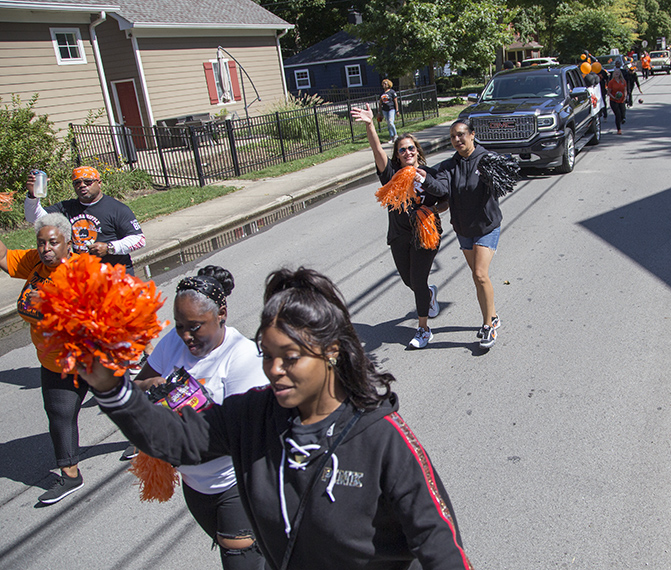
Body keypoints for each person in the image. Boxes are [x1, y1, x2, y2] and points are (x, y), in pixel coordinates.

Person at [78, 267, 473, 570]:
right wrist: (112, 389)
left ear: (331, 351)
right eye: (267, 355)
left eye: (291, 356)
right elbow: (176, 440)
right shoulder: (251, 415)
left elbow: (440, 546)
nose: (274, 369)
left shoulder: (384, 440)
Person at [131, 265, 267, 569]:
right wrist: (153, 389)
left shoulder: (243, 358)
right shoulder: (173, 342)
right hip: (196, 487)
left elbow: (239, 438)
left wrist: (173, 413)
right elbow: (138, 386)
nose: (186, 336)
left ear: (221, 313)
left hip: (237, 487)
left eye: (195, 326)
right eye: (180, 325)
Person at [25, 166, 149, 389]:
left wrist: (109, 247)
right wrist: (33, 196)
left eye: (87, 181)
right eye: (77, 183)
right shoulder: (67, 208)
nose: (82, 186)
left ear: (99, 182)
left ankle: (139, 361)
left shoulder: (116, 209)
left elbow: (139, 240)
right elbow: (35, 218)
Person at [0, 213, 90, 504]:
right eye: (41, 243)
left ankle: (150, 441)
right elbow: (3, 257)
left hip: (91, 361)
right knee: (60, 416)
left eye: (53, 242)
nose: (46, 248)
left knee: (124, 409)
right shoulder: (34, 264)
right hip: (54, 361)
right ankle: (71, 475)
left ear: (68, 244)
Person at [350, 105, 448, 349]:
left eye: (411, 148)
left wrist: (431, 208)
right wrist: (370, 125)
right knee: (410, 281)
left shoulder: (429, 173)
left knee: (417, 278)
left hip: (426, 234)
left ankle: (423, 329)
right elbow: (376, 152)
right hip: (399, 235)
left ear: (418, 152)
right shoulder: (391, 175)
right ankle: (428, 294)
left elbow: (445, 196)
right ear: (397, 154)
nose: (407, 152)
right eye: (402, 149)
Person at [419, 119, 503, 349]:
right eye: (453, 136)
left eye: (461, 134)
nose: (457, 139)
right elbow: (442, 189)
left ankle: (489, 327)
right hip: (463, 228)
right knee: (478, 277)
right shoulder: (449, 166)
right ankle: (493, 315)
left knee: (479, 274)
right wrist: (424, 178)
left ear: (472, 135)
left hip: (486, 226)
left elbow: (504, 181)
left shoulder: (487, 160)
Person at [607, 69, 627, 135]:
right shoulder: (611, 82)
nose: (617, 74)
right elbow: (608, 92)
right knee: (617, 114)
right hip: (614, 100)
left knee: (623, 112)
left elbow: (625, 90)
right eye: (615, 73)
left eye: (618, 72)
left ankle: (623, 118)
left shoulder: (623, 81)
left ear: (620, 74)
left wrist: (625, 97)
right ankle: (619, 129)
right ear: (613, 74)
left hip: (621, 100)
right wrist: (613, 97)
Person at [379, 79, 399, 143]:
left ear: (388, 84)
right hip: (385, 110)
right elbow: (380, 103)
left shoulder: (392, 92)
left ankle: (396, 135)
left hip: (391, 109)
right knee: (388, 123)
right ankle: (391, 137)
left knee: (391, 122)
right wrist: (379, 112)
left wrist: (397, 110)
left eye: (385, 83)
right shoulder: (382, 93)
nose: (384, 85)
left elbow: (396, 101)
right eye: (383, 83)